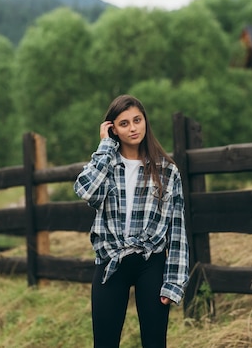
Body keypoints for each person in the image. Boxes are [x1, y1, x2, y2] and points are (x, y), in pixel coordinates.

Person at [74, 94, 189, 348]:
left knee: (154, 342)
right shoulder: (106, 165)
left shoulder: (167, 170)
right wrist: (105, 147)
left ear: (145, 122)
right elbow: (86, 191)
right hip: (110, 261)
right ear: (113, 129)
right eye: (124, 123)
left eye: (137, 120)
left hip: (151, 263)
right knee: (104, 343)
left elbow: (177, 229)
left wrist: (173, 282)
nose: (133, 127)